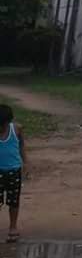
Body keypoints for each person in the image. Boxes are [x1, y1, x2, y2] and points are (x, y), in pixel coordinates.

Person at [0, 104, 27, 244]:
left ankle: (13, 227)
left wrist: (26, 163)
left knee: (13, 201)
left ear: (9, 122)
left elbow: (21, 145)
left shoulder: (16, 129)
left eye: (3, 125)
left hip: (14, 170)